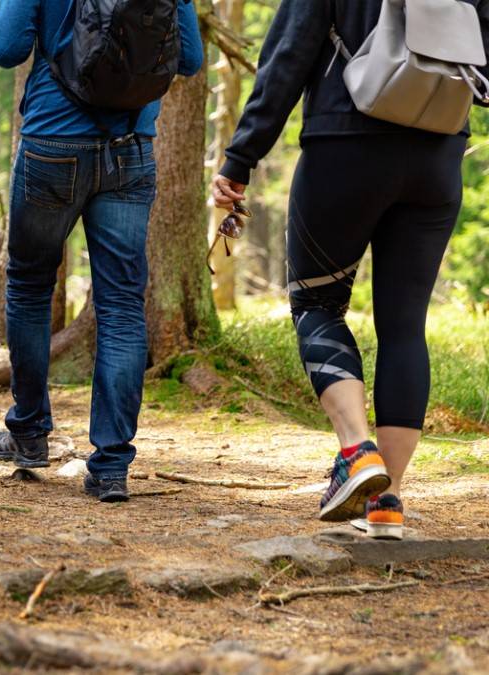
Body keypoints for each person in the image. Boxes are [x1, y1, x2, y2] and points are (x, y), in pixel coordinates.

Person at [211, 0, 489, 538]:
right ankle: (387, 504)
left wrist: (240, 158)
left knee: (316, 303)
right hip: (438, 154)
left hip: (345, 143)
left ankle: (358, 452)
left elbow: (288, 56)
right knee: (405, 326)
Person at [0, 0, 204, 502]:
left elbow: (4, 46)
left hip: (51, 145)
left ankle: (30, 431)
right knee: (123, 303)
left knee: (30, 285)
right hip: (130, 149)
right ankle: (110, 465)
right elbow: (188, 60)